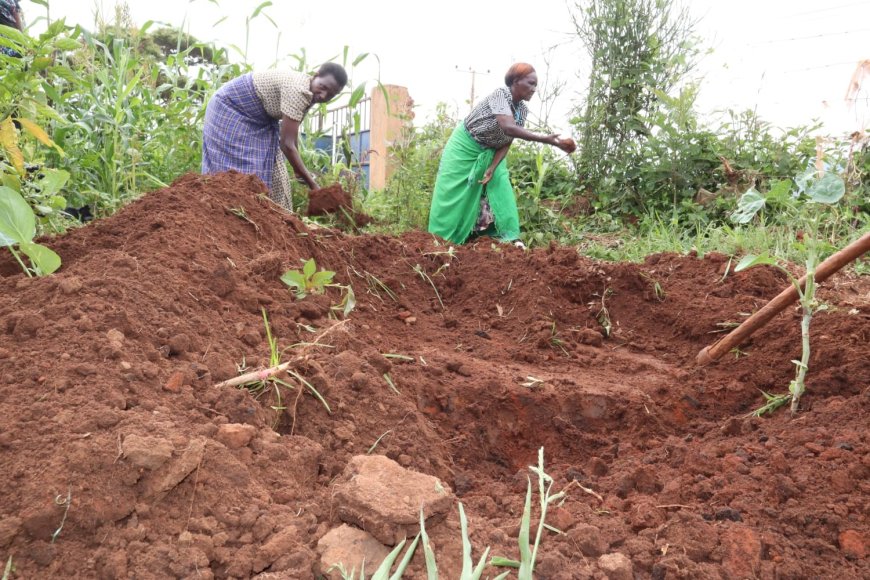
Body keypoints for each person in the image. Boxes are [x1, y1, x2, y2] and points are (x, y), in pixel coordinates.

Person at [428, 63, 575, 247]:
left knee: (500, 190)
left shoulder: (522, 110)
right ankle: (442, 239)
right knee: (454, 193)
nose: (534, 89)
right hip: (465, 147)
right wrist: (547, 139)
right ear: (515, 81)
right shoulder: (500, 95)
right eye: (530, 83)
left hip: (491, 152)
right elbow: (508, 127)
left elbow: (508, 139)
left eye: (536, 85)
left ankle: (507, 239)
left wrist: (492, 167)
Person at [202, 63, 348, 210]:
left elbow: (292, 138)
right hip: (230, 109)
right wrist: (313, 185)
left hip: (258, 120)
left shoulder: (309, 93)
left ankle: (276, 221)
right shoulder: (298, 90)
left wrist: (299, 170)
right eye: (323, 87)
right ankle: (226, 213)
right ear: (316, 76)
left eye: (330, 95)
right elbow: (286, 144)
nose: (324, 95)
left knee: (276, 173)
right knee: (246, 174)